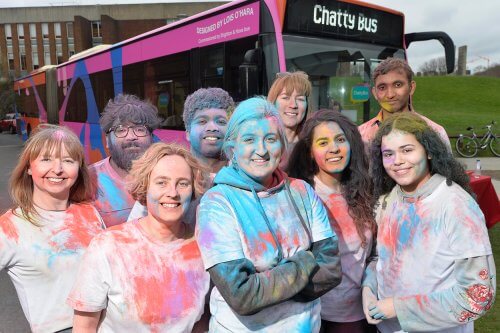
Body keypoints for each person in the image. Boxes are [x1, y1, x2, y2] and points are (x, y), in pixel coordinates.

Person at [196, 97, 342, 332]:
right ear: (232, 147)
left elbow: (331, 271)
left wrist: (268, 283)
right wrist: (306, 261)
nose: (261, 150)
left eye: (271, 139)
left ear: (282, 146)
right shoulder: (217, 203)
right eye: (249, 140)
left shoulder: (301, 191)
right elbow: (243, 296)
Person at [362, 112, 495, 333]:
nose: (397, 161)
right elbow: (380, 258)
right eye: (388, 154)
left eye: (407, 150)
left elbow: (477, 295)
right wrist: (369, 286)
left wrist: (398, 308)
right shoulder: (387, 200)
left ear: (429, 151)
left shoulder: (456, 205)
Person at [68, 143, 211, 332]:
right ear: (145, 186)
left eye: (183, 183)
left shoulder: (204, 248)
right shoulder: (109, 246)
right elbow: (84, 326)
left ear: (193, 189)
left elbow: (200, 323)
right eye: (162, 182)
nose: (173, 193)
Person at [0, 124, 105, 333]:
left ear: (78, 169)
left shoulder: (89, 213)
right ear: (29, 167)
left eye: (68, 160)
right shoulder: (9, 227)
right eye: (46, 159)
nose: (57, 169)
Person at [288, 109, 376, 333]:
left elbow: (373, 254)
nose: (334, 148)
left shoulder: (366, 191)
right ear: (309, 152)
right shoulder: (301, 195)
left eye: (339, 139)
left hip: (360, 314)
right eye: (323, 142)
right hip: (315, 314)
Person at [127, 87, 234, 221]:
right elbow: (134, 228)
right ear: (188, 132)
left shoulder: (244, 176)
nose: (212, 127)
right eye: (202, 121)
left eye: (221, 122)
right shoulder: (163, 169)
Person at [90, 94, 161, 227]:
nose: (131, 137)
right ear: (107, 141)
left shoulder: (167, 175)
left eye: (140, 129)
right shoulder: (89, 179)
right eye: (121, 130)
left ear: (151, 137)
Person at [358, 57, 451, 150]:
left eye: (397, 85)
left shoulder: (435, 132)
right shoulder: (360, 135)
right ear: (375, 93)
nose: (390, 95)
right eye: (382, 87)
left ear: (411, 87)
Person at [267, 71, 312, 168]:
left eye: (300, 99)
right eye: (285, 97)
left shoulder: (311, 145)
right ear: (273, 102)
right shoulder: (260, 143)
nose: (293, 105)